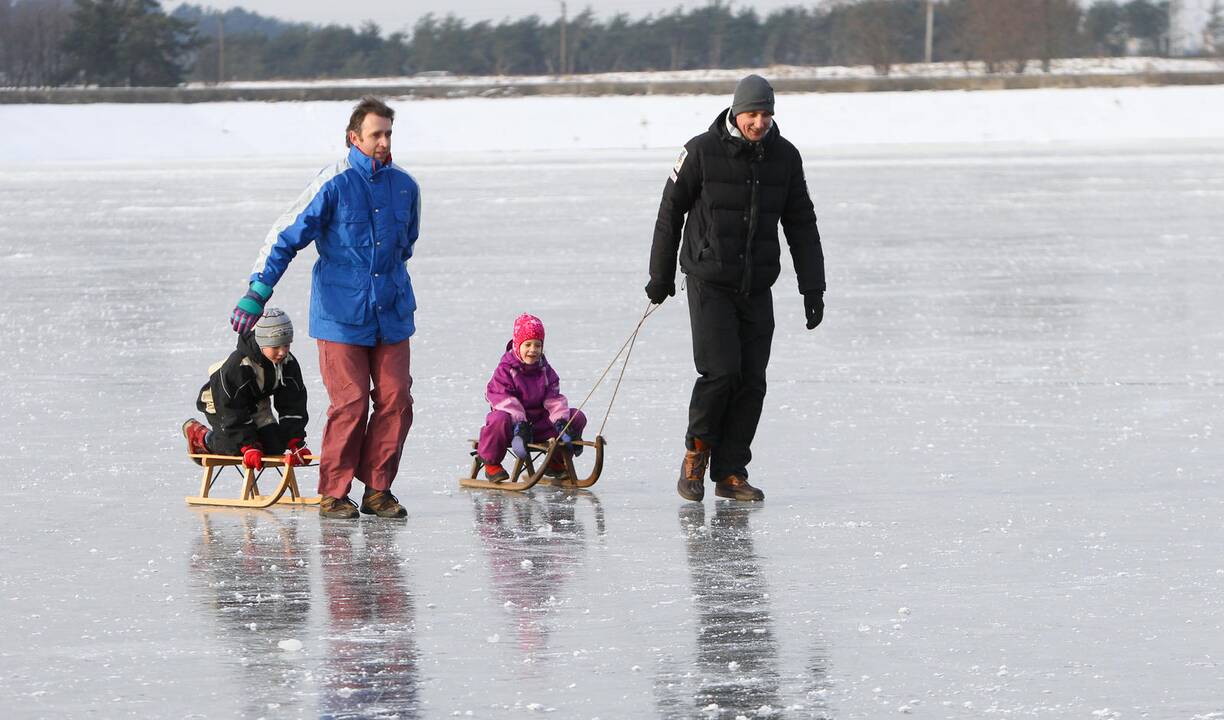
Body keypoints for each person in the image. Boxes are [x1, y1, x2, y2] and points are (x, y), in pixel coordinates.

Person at [229, 96, 420, 520]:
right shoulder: (332, 183)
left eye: (389, 133)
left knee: (396, 400)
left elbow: (407, 242)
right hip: (340, 314)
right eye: (376, 134)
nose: (384, 142)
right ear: (354, 137)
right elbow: (286, 236)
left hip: (391, 312)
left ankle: (378, 490)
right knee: (350, 403)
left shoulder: (406, 186)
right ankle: (334, 492)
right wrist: (258, 291)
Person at [645, 74, 826, 503]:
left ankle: (730, 471)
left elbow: (801, 222)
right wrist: (661, 274)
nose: (759, 122)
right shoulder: (700, 151)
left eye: (766, 114)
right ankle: (696, 454)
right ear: (735, 112)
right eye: (752, 113)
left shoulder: (784, 157)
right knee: (721, 371)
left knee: (752, 381)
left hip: (756, 285)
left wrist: (812, 287)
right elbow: (670, 212)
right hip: (709, 280)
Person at [182, 308, 312, 470]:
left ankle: (250, 442)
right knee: (238, 447)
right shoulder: (238, 366)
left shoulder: (288, 363)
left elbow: (293, 402)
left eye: (286, 345)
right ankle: (201, 437)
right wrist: (248, 446)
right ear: (262, 343)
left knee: (275, 447)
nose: (282, 352)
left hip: (256, 403)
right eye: (276, 347)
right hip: (220, 404)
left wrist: (295, 442)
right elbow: (231, 407)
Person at [476, 313, 587, 482]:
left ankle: (555, 462)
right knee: (498, 419)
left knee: (576, 417)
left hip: (539, 425)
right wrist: (519, 423)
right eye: (527, 344)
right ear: (517, 345)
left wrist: (560, 421)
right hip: (514, 427)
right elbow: (501, 398)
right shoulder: (505, 370)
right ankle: (492, 465)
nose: (533, 350)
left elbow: (554, 399)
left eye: (537, 345)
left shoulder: (545, 370)